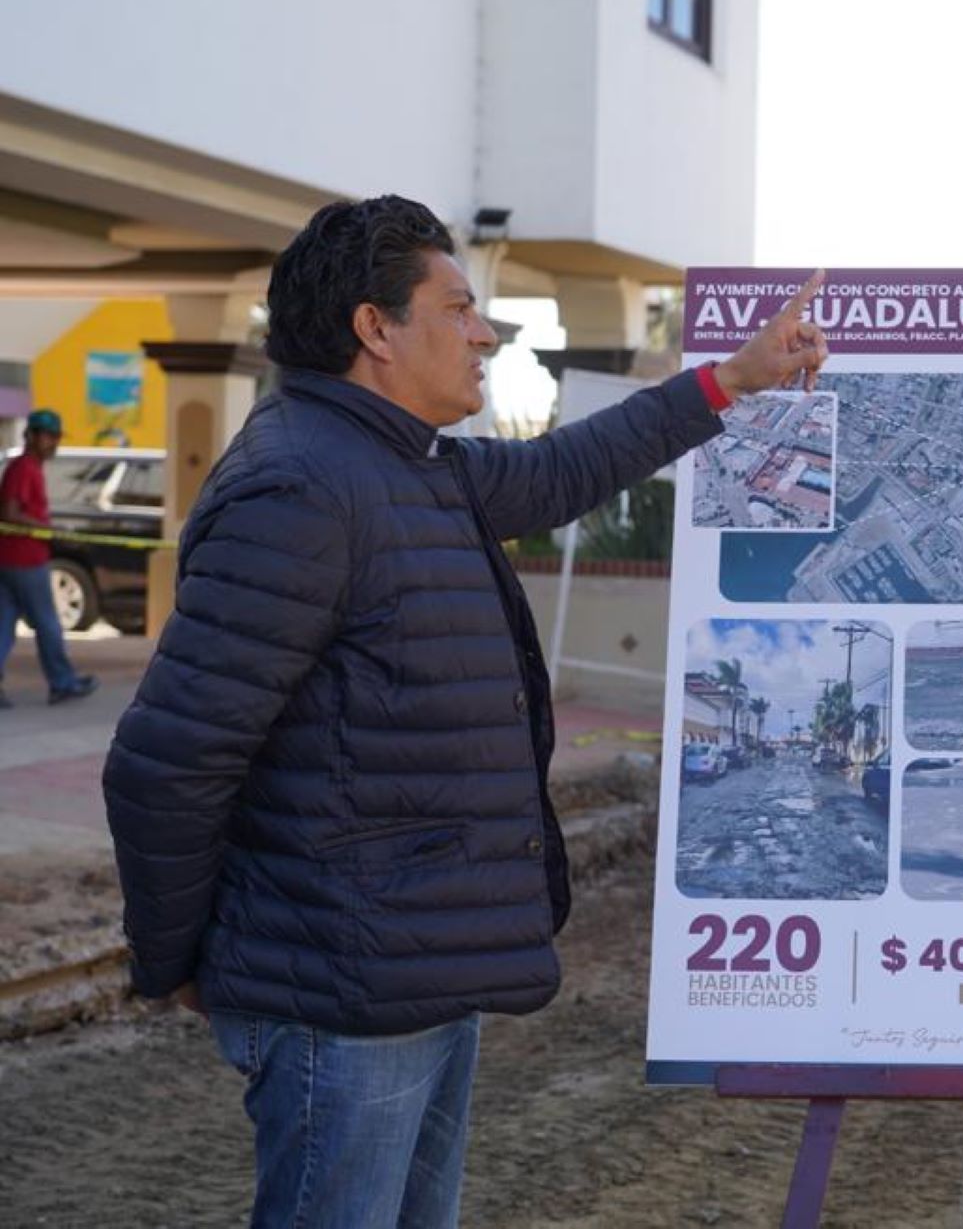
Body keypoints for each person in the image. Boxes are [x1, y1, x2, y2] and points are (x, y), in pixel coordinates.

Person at [102, 195, 827, 1228]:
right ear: (375, 330)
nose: (485, 331)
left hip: (414, 973)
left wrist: (734, 379)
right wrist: (175, 959)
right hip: (340, 995)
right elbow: (168, 760)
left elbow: (563, 468)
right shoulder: (304, 488)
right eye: (459, 308)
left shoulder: (407, 466)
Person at [0, 408, 100, 708]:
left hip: (10, 559)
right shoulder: (24, 469)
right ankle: (62, 683)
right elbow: (10, 514)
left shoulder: (27, 468)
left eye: (56, 437)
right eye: (49, 436)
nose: (54, 443)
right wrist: (49, 530)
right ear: (31, 436)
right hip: (25, 560)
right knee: (47, 623)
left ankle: (63, 680)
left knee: (4, 625)